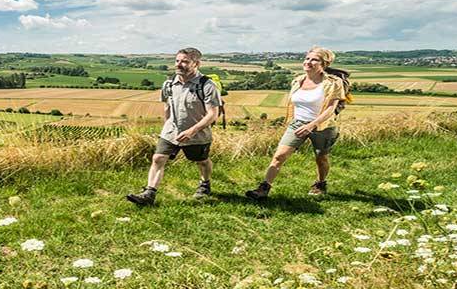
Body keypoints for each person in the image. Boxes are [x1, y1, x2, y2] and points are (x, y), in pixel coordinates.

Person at [245, 46, 347, 200]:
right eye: (307, 58)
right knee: (279, 156)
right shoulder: (298, 80)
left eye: (314, 60)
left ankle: (320, 183)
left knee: (321, 158)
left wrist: (311, 125)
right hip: (297, 124)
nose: (309, 62)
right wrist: (297, 123)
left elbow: (331, 109)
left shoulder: (333, 82)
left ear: (324, 64)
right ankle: (263, 189)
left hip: (323, 126)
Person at [126, 47, 221, 205]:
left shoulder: (207, 85)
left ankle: (205, 184)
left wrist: (192, 130)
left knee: (202, 161)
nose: (179, 64)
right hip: (171, 132)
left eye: (185, 61)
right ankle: (149, 193)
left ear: (197, 64)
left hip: (197, 134)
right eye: (177, 61)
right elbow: (167, 106)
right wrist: (167, 127)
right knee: (158, 158)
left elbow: (212, 114)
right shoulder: (169, 84)